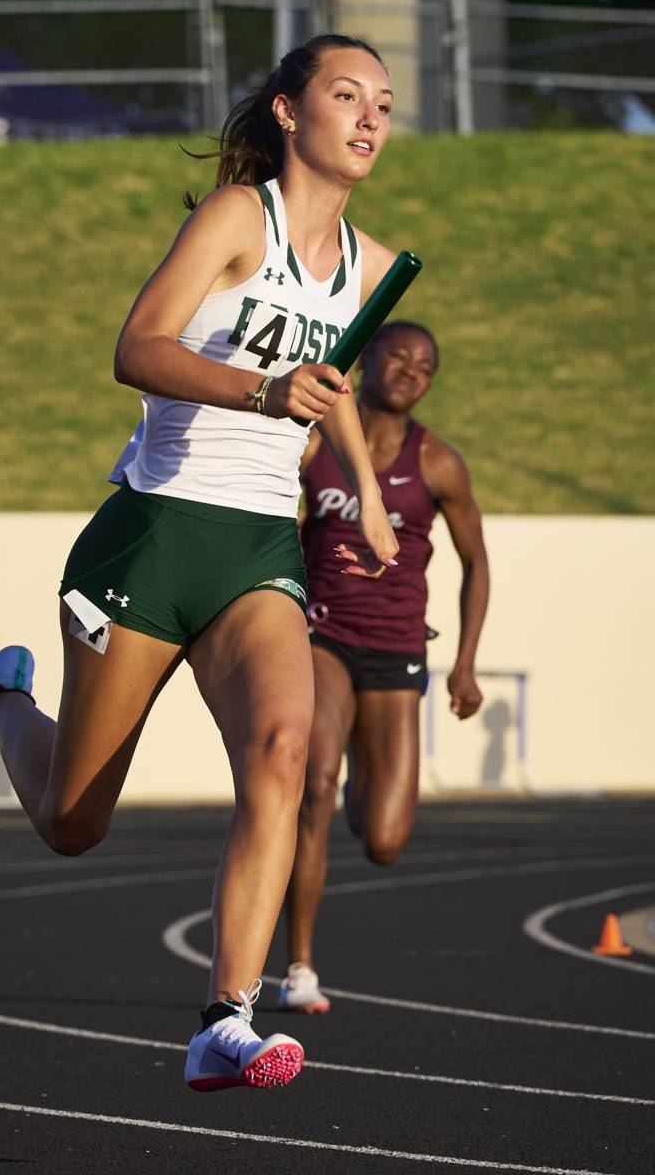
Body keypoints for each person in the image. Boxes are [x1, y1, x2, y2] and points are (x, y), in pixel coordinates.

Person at [0, 34, 405, 1091]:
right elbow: (136, 346)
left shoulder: (375, 267)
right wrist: (258, 390)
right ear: (289, 114)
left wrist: (370, 504)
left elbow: (326, 392)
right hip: (151, 536)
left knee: (284, 757)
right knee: (73, 822)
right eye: (345, 95)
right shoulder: (238, 217)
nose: (370, 117)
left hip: (256, 546)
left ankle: (223, 1018)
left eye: (383, 102)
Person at [279, 320, 489, 1013]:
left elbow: (476, 562)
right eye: (397, 356)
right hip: (324, 635)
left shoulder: (439, 464)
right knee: (312, 784)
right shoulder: (315, 443)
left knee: (384, 843)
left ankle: (353, 780)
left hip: (399, 648)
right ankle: (300, 967)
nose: (410, 371)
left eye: (425, 366)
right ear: (366, 360)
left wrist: (464, 664)